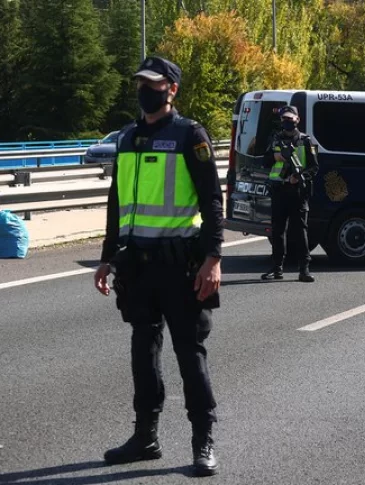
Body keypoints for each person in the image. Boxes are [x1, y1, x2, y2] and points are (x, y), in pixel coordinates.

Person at [93, 56, 223, 477]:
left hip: (180, 266)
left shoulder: (190, 135)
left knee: (190, 354)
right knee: (143, 354)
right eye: (140, 83)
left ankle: (203, 440)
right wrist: (106, 258)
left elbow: (212, 200)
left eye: (153, 83)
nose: (144, 90)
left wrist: (213, 258)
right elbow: (117, 204)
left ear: (172, 89)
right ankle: (144, 438)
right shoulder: (128, 138)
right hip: (137, 269)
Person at [260, 105, 319, 283]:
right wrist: (274, 158)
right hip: (279, 190)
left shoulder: (306, 141)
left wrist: (299, 177)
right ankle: (277, 268)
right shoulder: (275, 140)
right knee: (277, 231)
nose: (287, 123)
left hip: (298, 192)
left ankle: (304, 269)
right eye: (284, 119)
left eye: (290, 120)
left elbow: (314, 167)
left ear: (297, 120)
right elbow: (265, 161)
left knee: (300, 231)